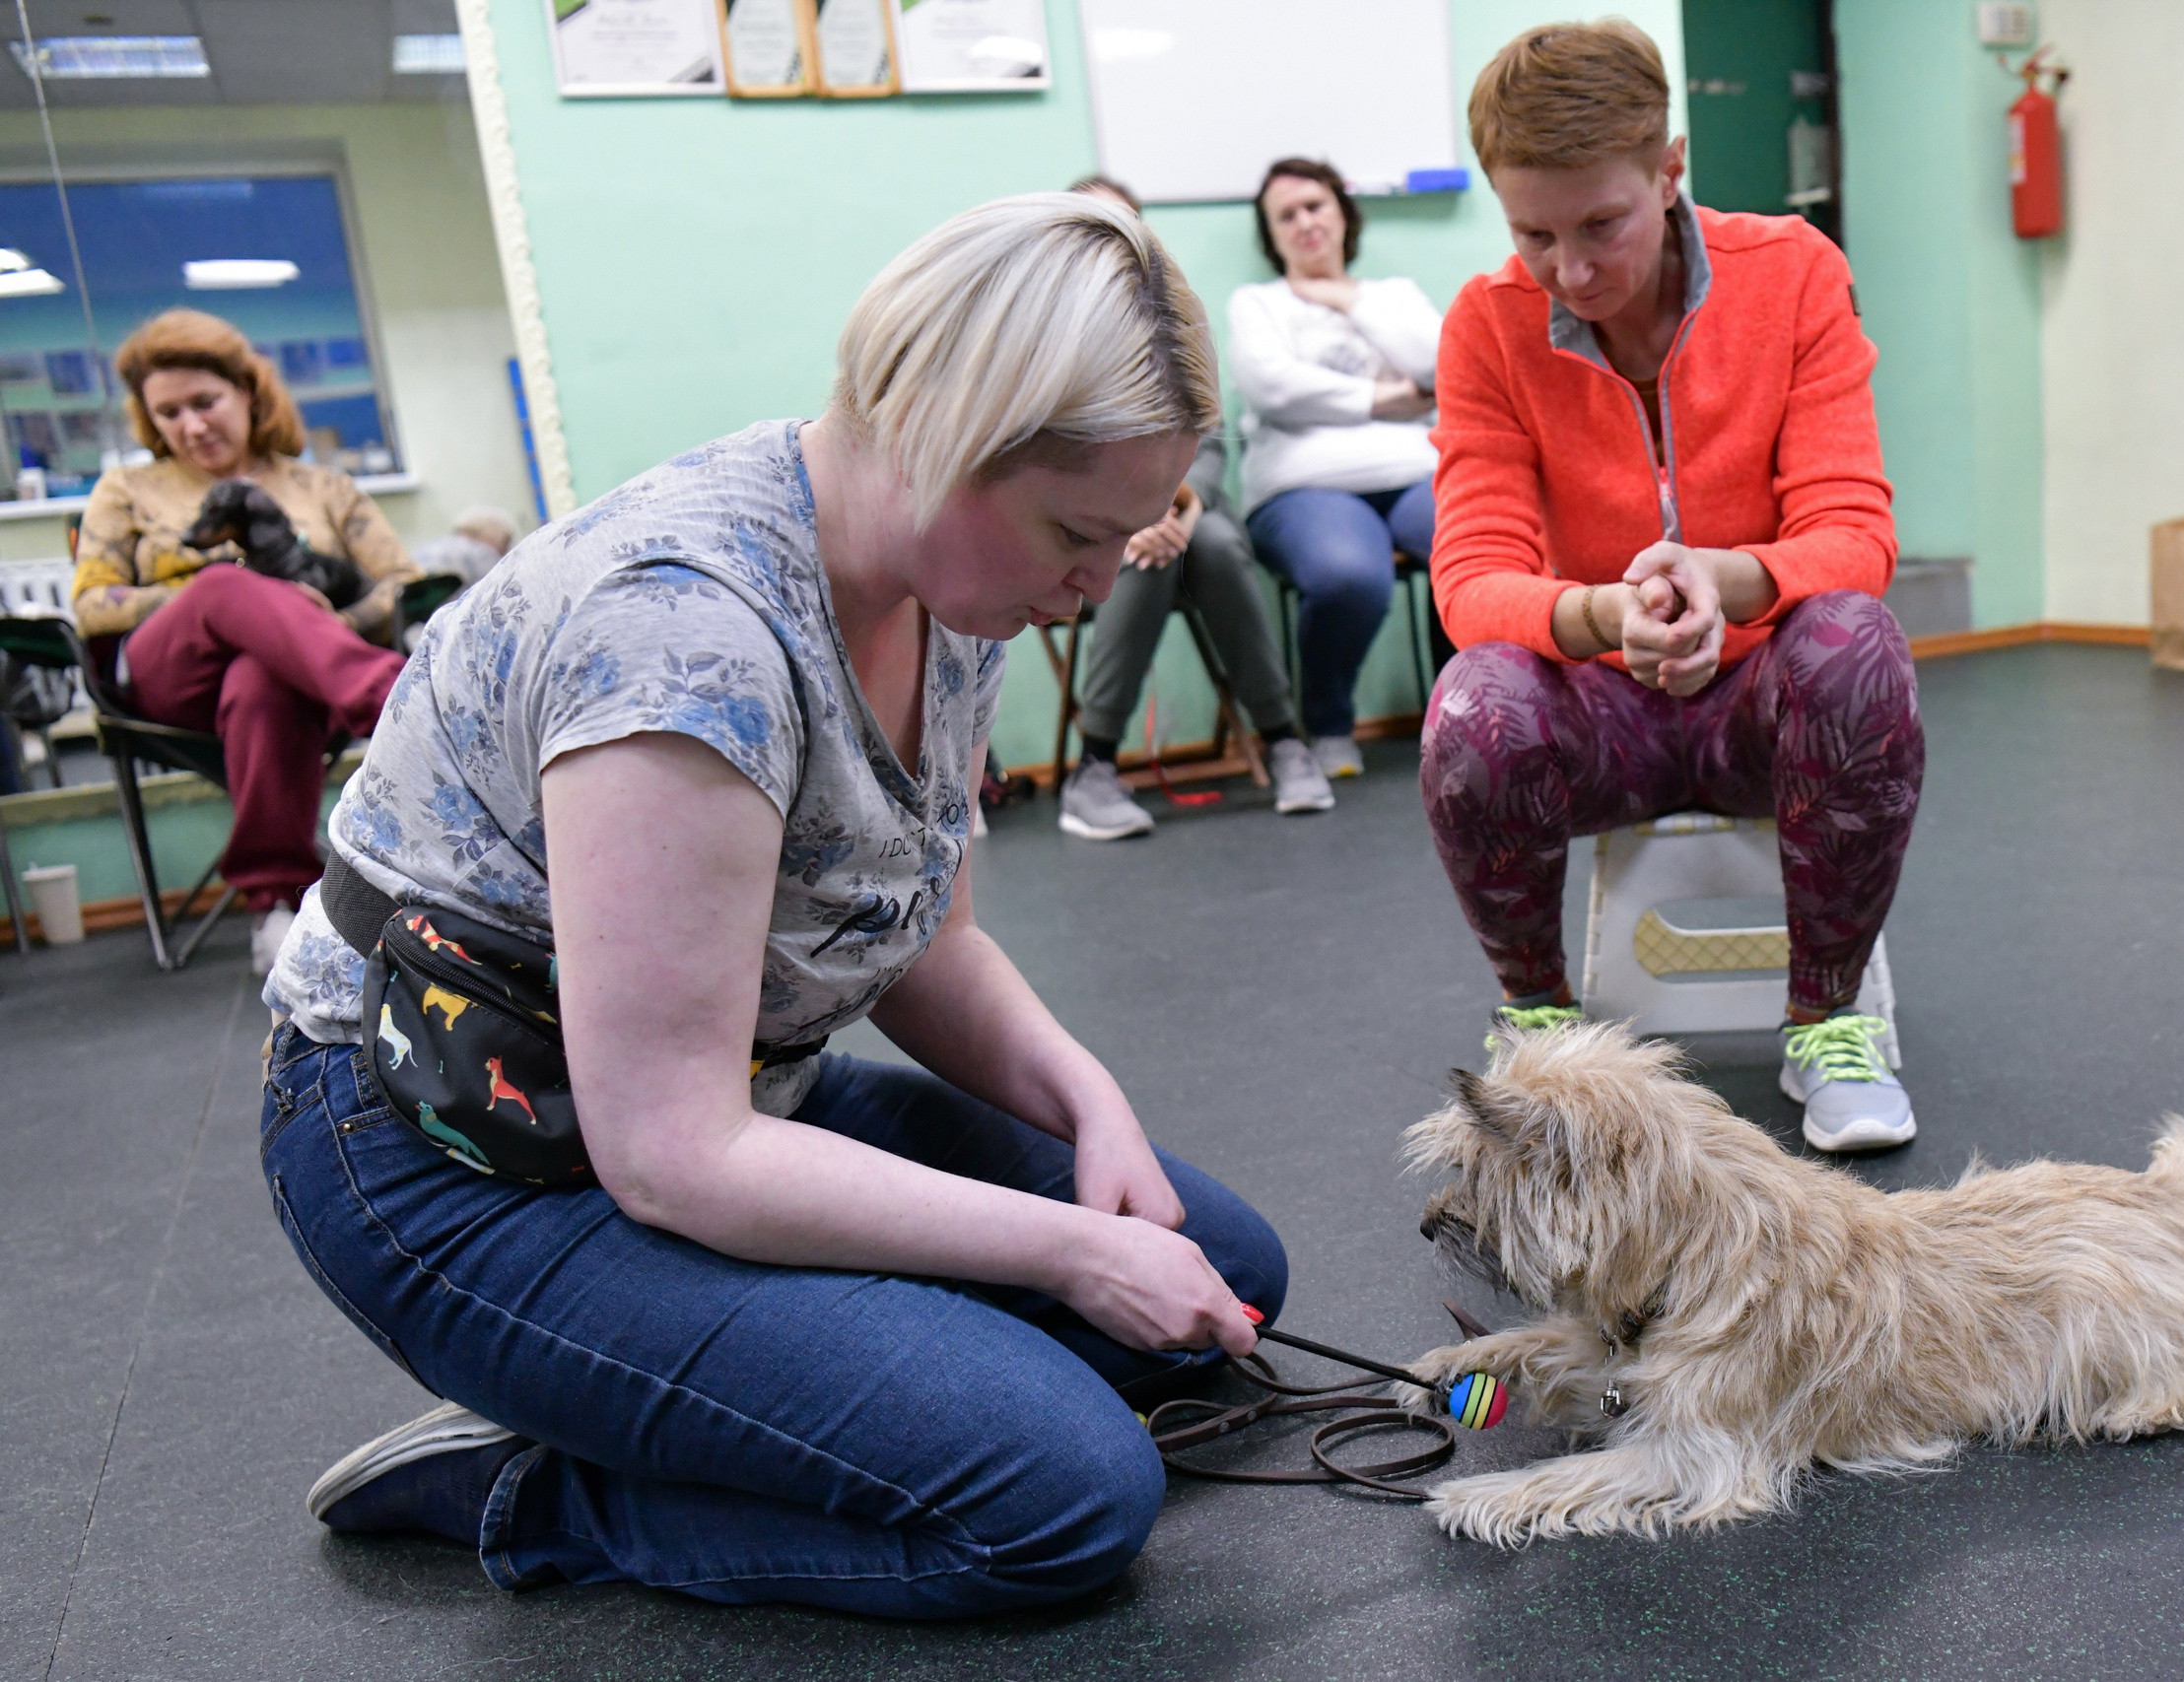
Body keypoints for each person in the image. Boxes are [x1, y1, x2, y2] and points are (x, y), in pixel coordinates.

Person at [259, 194, 1285, 1619]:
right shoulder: (684, 638)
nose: (1099, 582)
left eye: (1127, 535)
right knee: (1062, 1494)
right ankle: (539, 1483)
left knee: (1222, 1278)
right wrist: (1064, 1243)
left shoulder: (957, 585)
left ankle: (710, 1393)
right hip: (451, 1147)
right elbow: (677, 1157)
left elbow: (931, 931)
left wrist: (1092, 1107)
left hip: (706, 1087)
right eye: (1074, 531)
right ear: (938, 428)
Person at [1420, 22, 1926, 1152]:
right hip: (1604, 717)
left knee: (1855, 641)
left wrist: (1728, 581)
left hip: (1760, 705)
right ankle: (1539, 1025)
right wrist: (1602, 614)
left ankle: (1828, 1022)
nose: (1574, 270)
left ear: (1671, 169)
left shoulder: (1792, 273)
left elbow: (1852, 533)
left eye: (1604, 224)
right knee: (1475, 699)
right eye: (1533, 235)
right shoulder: (1487, 326)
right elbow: (1471, 579)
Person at [72, 308, 415, 973]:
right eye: (168, 412)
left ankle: (276, 904)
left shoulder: (323, 487)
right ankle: (400, 701)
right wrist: (221, 593)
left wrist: (313, 625)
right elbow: (90, 603)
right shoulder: (126, 489)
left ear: (250, 393)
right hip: (169, 677)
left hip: (295, 676)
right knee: (228, 585)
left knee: (262, 680)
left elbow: (403, 584)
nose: (191, 425)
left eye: (205, 402)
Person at [1058, 175, 1333, 840]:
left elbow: (1208, 443)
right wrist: (1126, 521)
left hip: (1178, 518)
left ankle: (1284, 742)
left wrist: (1173, 513)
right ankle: (1092, 769)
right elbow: (1048, 457)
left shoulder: (1176, 321)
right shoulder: (1049, 337)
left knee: (1206, 540)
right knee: (1155, 556)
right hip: (1089, 532)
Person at [1230, 157, 1444, 779]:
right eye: (1286, 216)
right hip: (1305, 487)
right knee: (1349, 573)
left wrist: (1348, 300)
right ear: (1271, 236)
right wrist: (1385, 399)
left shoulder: (1393, 296)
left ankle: (1463, 713)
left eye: (1315, 206)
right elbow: (1273, 387)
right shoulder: (1257, 304)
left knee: (1473, 545)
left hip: (1414, 471)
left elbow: (1442, 364)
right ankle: (1328, 722)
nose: (1304, 223)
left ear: (1343, 215)